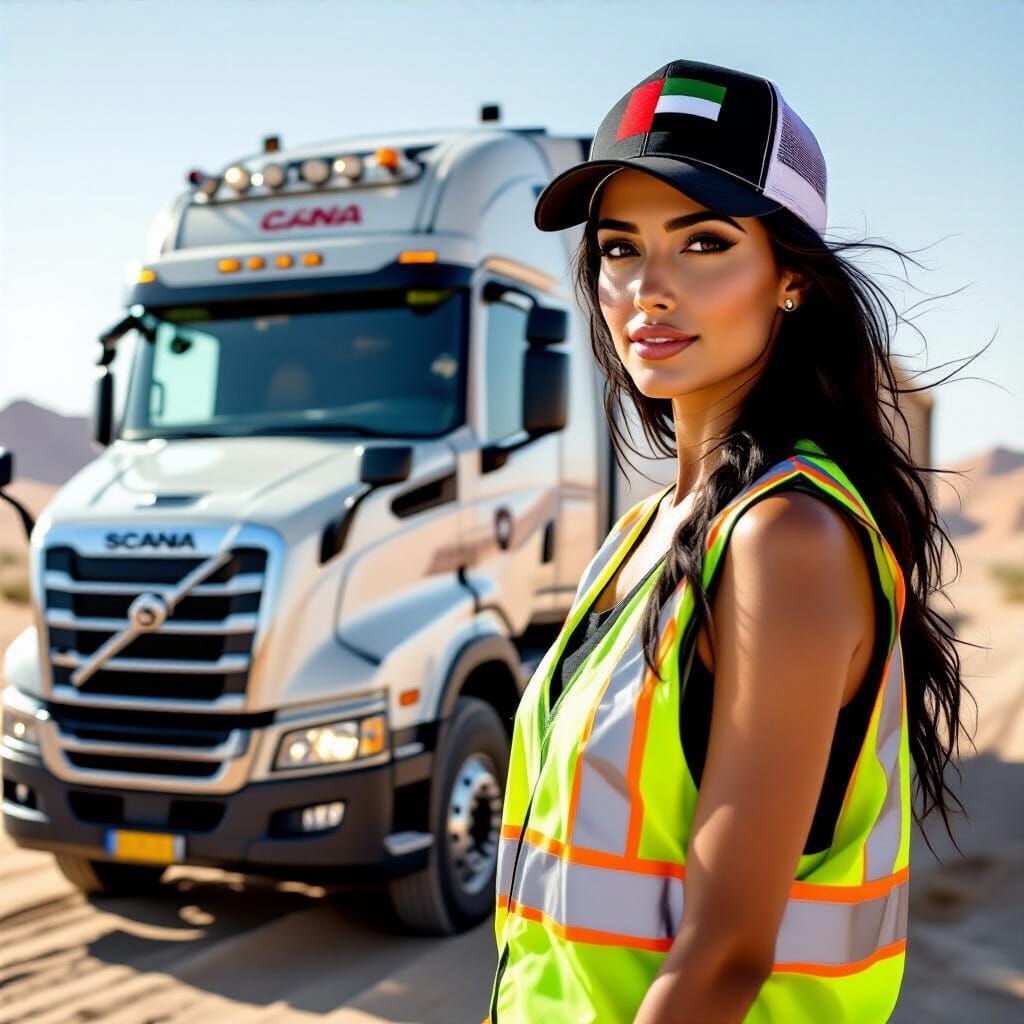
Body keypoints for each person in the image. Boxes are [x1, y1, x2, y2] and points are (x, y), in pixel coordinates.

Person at [485, 58, 971, 1024]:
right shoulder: (640, 536)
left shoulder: (785, 537)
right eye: (620, 249)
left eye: (703, 242)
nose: (647, 291)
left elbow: (726, 953)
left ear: (790, 278)